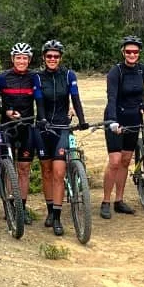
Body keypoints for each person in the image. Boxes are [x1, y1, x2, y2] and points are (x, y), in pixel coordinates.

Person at [36, 40, 88, 236]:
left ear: (60, 58)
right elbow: (39, 101)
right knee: (47, 172)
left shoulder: (68, 75)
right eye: (49, 56)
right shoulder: (38, 78)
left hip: (62, 127)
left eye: (56, 56)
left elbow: (76, 98)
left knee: (58, 173)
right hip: (43, 129)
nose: (52, 59)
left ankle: (57, 217)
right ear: (43, 58)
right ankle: (49, 211)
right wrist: (41, 119)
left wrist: (82, 120)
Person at [0, 42, 45, 225]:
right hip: (8, 126)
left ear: (29, 60)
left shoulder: (34, 78)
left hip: (26, 127)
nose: (22, 61)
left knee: (24, 169)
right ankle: (10, 205)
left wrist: (41, 119)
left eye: (25, 58)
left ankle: (21, 208)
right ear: (12, 59)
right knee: (9, 168)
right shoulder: (2, 78)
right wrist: (6, 111)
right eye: (18, 57)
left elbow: (40, 100)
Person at [101, 36, 144, 219]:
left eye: (135, 52)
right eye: (128, 51)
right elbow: (111, 97)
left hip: (133, 118)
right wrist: (112, 121)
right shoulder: (115, 72)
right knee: (114, 161)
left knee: (126, 160)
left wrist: (142, 105)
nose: (131, 55)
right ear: (123, 52)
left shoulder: (143, 70)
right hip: (115, 118)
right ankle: (105, 201)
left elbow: (139, 91)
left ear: (139, 53)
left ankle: (119, 200)